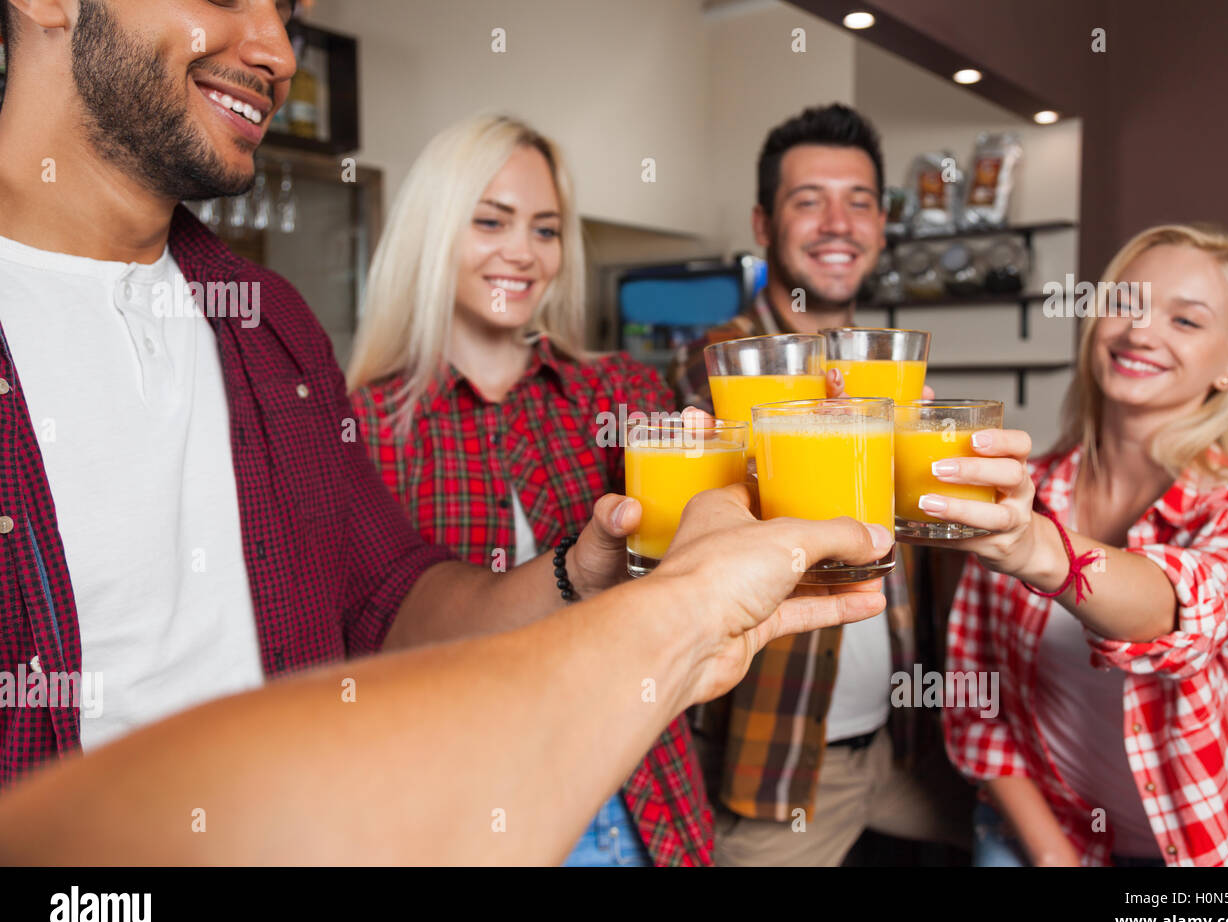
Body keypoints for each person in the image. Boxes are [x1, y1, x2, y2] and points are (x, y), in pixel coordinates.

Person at [0, 0, 638, 789]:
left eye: (286, 11)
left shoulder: (275, 328)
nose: (278, 51)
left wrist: (580, 573)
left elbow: (390, 596)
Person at [0, 486, 896, 865]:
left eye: (546, 228)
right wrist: (684, 609)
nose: (280, 74)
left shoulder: (269, 330)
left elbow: (391, 601)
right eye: (489, 220)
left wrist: (629, 596)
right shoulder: (365, 398)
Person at [345, 115, 708, 866]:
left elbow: (706, 530)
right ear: (431, 229)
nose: (523, 252)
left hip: (632, 802)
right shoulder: (361, 427)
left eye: (545, 230)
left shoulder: (620, 395)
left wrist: (794, 421)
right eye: (490, 221)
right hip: (453, 815)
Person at [935, 224, 1228, 866]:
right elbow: (974, 696)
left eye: (1185, 322)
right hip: (1040, 835)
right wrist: (1050, 855)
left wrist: (1039, 550)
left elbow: (1175, 609)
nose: (1139, 332)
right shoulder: (1029, 489)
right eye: (1124, 304)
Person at [668, 103, 972, 865]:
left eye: (859, 201)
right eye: (810, 201)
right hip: (778, 765)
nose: (839, 221)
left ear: (880, 226)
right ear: (764, 226)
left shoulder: (889, 372)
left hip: (907, 752)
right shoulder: (711, 366)